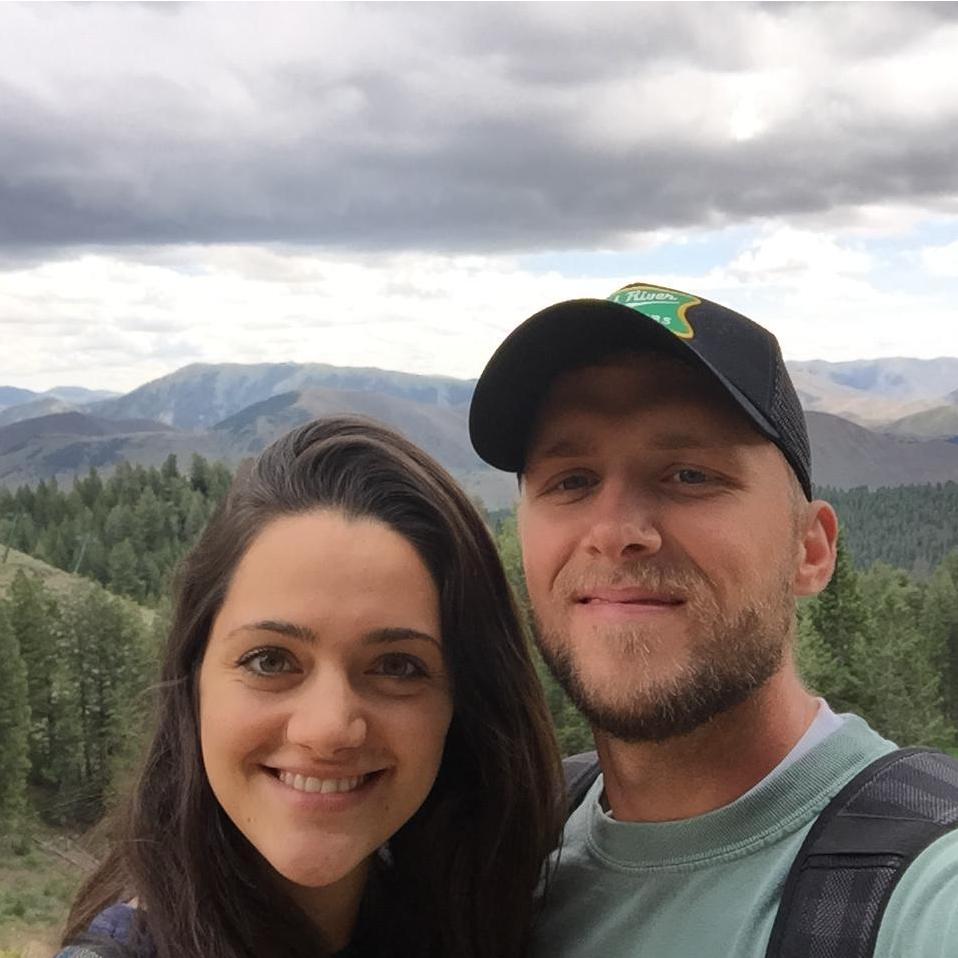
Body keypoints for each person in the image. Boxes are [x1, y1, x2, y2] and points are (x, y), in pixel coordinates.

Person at [469, 282, 958, 957]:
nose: (614, 531)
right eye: (571, 480)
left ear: (810, 551)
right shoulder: (506, 858)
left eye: (690, 474)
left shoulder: (925, 889)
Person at [57, 417, 564, 958]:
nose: (328, 729)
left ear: (463, 705)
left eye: (397, 667)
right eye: (270, 660)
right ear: (194, 679)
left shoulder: (475, 920)